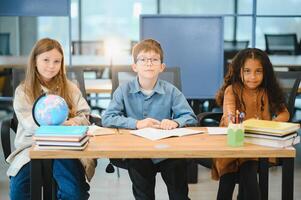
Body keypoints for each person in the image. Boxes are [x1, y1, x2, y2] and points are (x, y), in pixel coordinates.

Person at [102, 38, 197, 200]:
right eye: (143, 60)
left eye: (154, 60)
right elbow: (108, 118)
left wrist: (175, 122)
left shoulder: (171, 91)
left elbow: (191, 117)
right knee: (143, 194)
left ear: (162, 67)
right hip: (138, 152)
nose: (149, 64)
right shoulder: (123, 90)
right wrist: (137, 123)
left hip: (167, 152)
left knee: (179, 193)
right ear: (134, 66)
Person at [7, 38, 96, 200]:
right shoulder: (23, 91)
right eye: (46, 60)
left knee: (74, 191)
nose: (51, 66)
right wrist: (61, 124)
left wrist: (73, 122)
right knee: (19, 190)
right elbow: (29, 125)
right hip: (32, 147)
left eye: (57, 61)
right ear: (35, 61)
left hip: (66, 146)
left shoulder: (70, 87)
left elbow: (85, 115)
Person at [213, 48, 289, 200]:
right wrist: (241, 124)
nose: (252, 77)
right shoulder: (231, 90)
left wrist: (270, 125)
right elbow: (229, 118)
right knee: (228, 178)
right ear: (238, 71)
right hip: (232, 144)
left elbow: (285, 114)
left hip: (257, 146)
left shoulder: (267, 91)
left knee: (249, 169)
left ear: (265, 72)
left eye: (258, 71)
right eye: (247, 71)